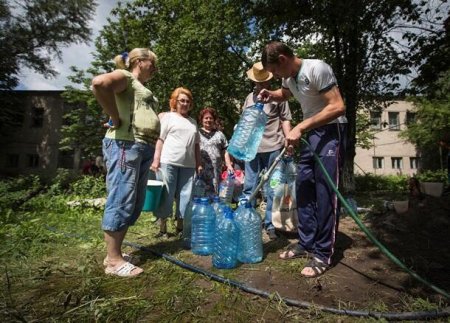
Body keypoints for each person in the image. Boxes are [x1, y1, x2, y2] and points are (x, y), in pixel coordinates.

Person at [258, 41, 347, 278]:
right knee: (304, 187)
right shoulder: (289, 79)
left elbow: (338, 106)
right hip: (311, 134)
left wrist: (300, 126)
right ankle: (306, 242)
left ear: (283, 60)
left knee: (325, 192)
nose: (275, 76)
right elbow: (284, 94)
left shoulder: (317, 68)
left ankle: (323, 252)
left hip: (331, 132)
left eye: (274, 71)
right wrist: (271, 95)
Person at [91, 48, 160, 277]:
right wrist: (114, 117)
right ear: (140, 61)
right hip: (125, 144)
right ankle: (113, 261)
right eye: (154, 64)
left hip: (141, 146)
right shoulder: (126, 77)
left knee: (134, 201)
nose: (156, 69)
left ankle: (115, 253)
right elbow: (100, 84)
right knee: (122, 196)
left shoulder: (140, 86)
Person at [241, 61, 292, 240]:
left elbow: (285, 119)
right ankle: (246, 221)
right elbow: (244, 125)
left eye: (264, 81)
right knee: (249, 186)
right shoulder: (249, 98)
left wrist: (289, 141)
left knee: (273, 188)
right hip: (251, 151)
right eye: (258, 81)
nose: (261, 84)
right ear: (254, 81)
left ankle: (270, 224)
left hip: (274, 148)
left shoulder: (279, 96)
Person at [151, 87, 202, 237]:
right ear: (175, 102)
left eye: (188, 101)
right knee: (166, 195)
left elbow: (197, 145)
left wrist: (199, 163)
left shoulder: (193, 122)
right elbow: (160, 140)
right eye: (182, 101)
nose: (185, 104)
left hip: (188, 165)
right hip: (169, 162)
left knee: (185, 196)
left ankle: (180, 227)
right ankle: (163, 228)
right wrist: (156, 160)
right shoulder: (168, 117)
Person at [198, 107, 234, 196]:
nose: (208, 120)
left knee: (215, 192)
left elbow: (225, 151)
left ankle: (213, 208)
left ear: (214, 120)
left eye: (211, 118)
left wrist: (229, 165)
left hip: (215, 170)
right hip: (200, 168)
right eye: (206, 118)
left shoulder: (220, 134)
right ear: (202, 120)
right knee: (200, 191)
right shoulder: (196, 133)